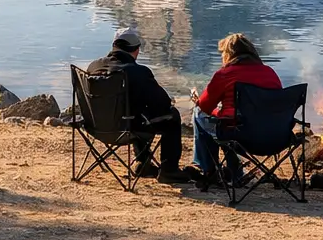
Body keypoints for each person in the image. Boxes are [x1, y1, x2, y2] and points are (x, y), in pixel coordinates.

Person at [86, 26, 186, 183]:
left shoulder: (94, 67)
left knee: (137, 112)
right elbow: (163, 103)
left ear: (114, 46)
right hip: (127, 130)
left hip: (95, 127)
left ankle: (143, 163)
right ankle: (169, 170)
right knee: (171, 115)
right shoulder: (138, 72)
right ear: (136, 50)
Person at [186, 33, 283, 186]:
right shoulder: (270, 73)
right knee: (231, 121)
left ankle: (209, 170)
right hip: (273, 136)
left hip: (239, 134)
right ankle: (235, 172)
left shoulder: (225, 74)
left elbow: (204, 106)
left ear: (229, 54)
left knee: (200, 114)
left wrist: (214, 110)